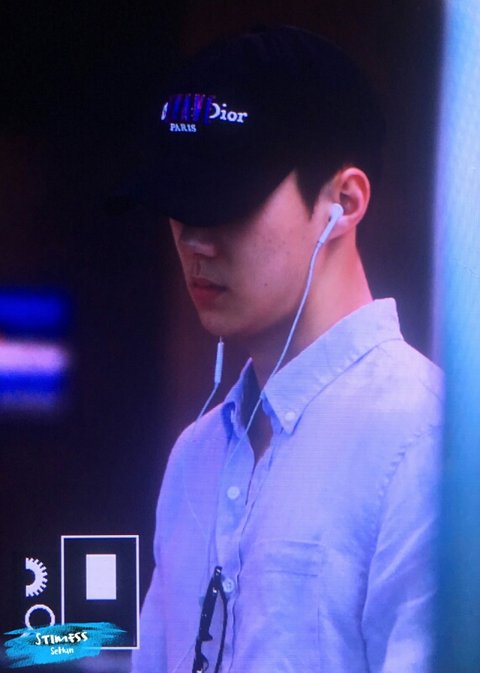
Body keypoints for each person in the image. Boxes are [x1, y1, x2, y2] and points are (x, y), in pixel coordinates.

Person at [132, 26, 443, 673]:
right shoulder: (195, 456)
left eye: (227, 201)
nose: (195, 240)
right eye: (179, 204)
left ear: (343, 202)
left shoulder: (424, 441)